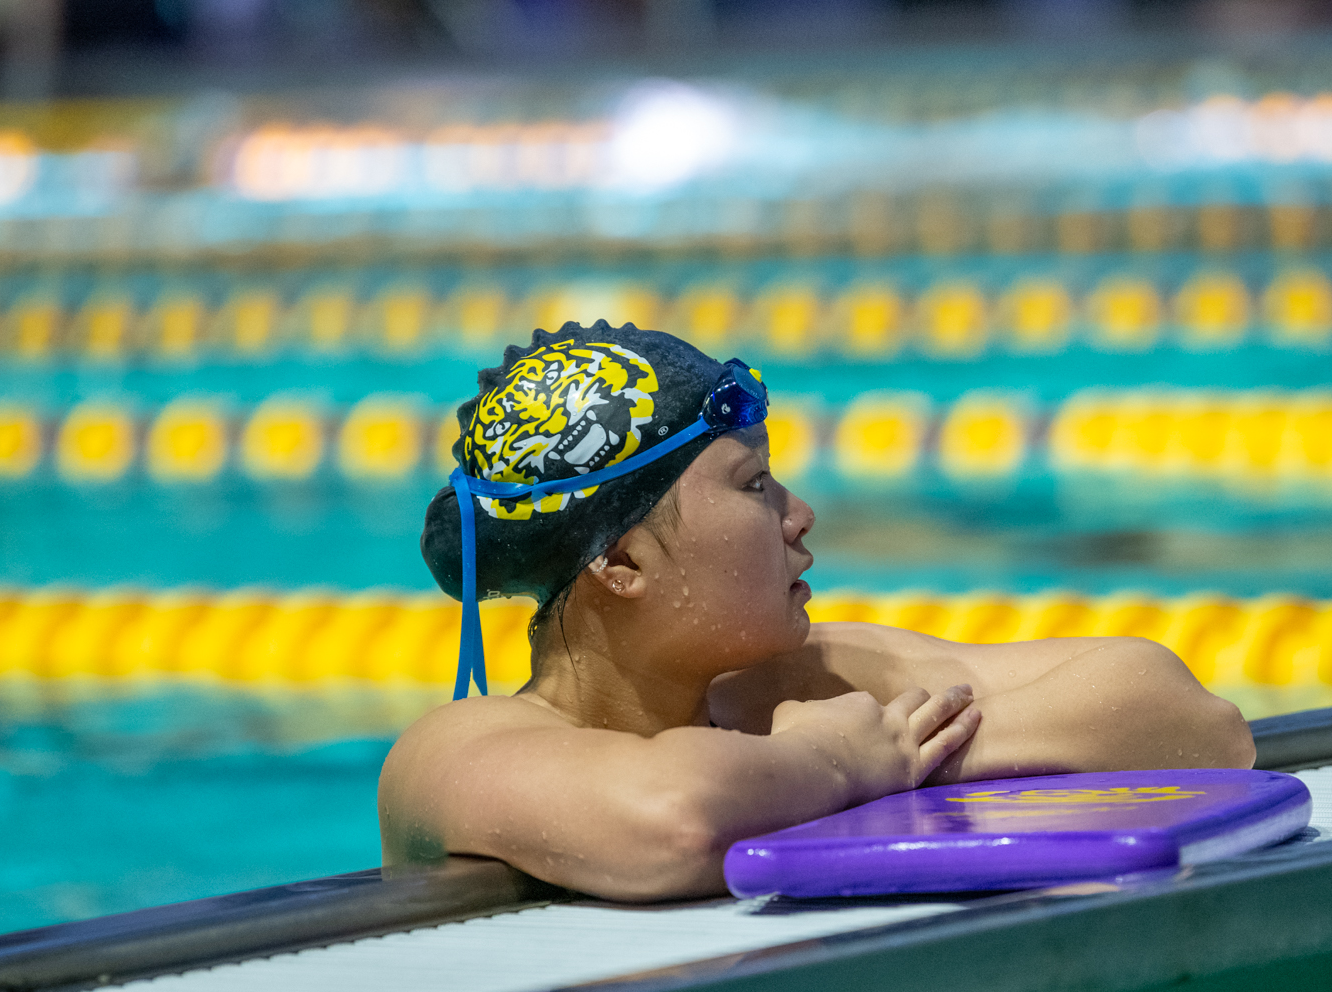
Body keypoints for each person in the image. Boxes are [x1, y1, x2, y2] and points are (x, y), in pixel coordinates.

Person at [378, 321, 1255, 901]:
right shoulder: (459, 752)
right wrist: (833, 764)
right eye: (755, 485)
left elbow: (1190, 720)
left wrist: (903, 753)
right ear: (622, 560)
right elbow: (669, 818)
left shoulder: (800, 684)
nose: (799, 516)